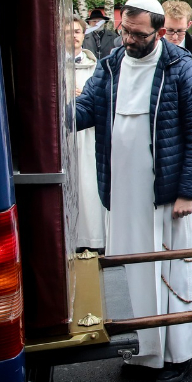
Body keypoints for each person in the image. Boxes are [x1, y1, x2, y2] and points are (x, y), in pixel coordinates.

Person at [74, 0, 192, 382]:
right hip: (124, 191)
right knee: (136, 270)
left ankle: (177, 354)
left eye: (137, 34)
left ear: (160, 32)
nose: (128, 40)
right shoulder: (111, 63)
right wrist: (54, 114)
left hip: (166, 193)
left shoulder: (180, 67)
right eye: (124, 31)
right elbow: (86, 108)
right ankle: (146, 351)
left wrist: (188, 191)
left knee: (172, 272)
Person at [71, 16, 106, 252]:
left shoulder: (95, 66)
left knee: (90, 186)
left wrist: (84, 94)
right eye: (67, 31)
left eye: (76, 30)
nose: (72, 35)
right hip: (69, 136)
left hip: (90, 134)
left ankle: (94, 239)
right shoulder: (50, 66)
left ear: (83, 34)